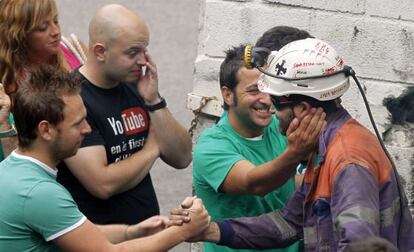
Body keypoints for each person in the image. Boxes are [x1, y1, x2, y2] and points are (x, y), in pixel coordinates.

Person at [189, 38, 414, 251]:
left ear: (304, 109)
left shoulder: (347, 160)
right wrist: (212, 230)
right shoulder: (327, 148)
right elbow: (290, 222)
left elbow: (359, 246)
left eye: (276, 102)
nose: (272, 109)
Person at [0, 67, 209, 251]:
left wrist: (132, 231)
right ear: (46, 130)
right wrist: (183, 232)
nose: (87, 129)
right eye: (78, 123)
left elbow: (73, 230)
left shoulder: (11, 170)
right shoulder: (40, 193)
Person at [56, 4, 193, 225]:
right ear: (100, 52)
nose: (142, 61)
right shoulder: (71, 98)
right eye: (132, 52)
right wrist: (152, 149)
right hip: (100, 241)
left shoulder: (135, 85)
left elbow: (183, 157)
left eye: (144, 50)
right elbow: (102, 184)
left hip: (147, 235)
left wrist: (154, 101)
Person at [192, 26, 324, 252]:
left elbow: (290, 182)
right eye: (254, 90)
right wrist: (296, 152)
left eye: (268, 88)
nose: (265, 99)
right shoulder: (212, 146)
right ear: (227, 94)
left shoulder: (278, 127)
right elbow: (255, 183)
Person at [0, 0, 87, 159]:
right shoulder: (10, 79)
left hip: (90, 147)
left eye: (56, 21)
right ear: (20, 34)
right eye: (42, 28)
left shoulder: (74, 50)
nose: (55, 31)